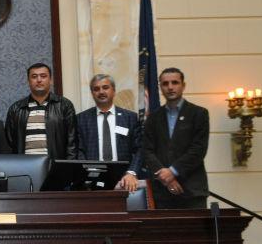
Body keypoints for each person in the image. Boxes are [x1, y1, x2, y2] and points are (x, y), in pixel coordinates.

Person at [142, 67, 209, 209]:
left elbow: (198, 150)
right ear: (160, 87)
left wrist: (172, 171)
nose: (170, 87)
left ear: (183, 85)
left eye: (175, 82)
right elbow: (147, 151)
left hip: (192, 191)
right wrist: (165, 178)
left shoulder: (199, 114)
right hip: (161, 192)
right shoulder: (153, 118)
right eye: (165, 84)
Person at [76, 74, 141, 192]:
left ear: (114, 90)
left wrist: (131, 173)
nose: (101, 91)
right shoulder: (81, 119)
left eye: (105, 87)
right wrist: (87, 173)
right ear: (92, 93)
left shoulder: (130, 117)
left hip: (125, 179)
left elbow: (139, 149)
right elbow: (79, 150)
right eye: (96, 89)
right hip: (92, 180)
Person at [4, 62, 78, 160]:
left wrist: (68, 170)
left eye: (43, 76)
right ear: (28, 81)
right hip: (25, 168)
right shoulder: (16, 108)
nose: (39, 80)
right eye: (34, 77)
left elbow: (72, 142)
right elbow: (9, 144)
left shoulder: (64, 105)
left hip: (55, 167)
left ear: (50, 80)